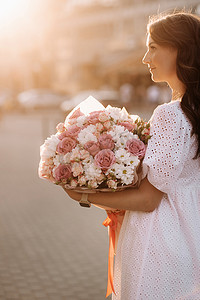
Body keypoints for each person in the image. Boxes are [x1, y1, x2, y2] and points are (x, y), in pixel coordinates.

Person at [65, 12, 200, 299]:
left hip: (159, 240)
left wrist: (84, 196)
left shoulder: (171, 114)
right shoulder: (193, 112)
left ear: (179, 49)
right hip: (191, 233)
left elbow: (149, 199)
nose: (144, 58)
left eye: (153, 47)